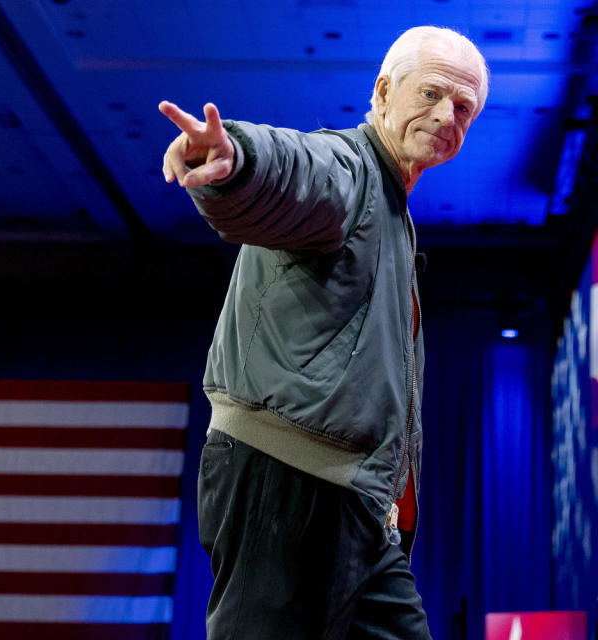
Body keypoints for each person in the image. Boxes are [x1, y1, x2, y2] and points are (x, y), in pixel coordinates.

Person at [159, 26, 488, 640]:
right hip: (288, 476)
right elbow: (295, 171)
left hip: (358, 503)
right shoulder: (351, 169)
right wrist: (233, 159)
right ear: (383, 92)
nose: (447, 115)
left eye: (464, 108)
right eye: (432, 94)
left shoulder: (395, 212)